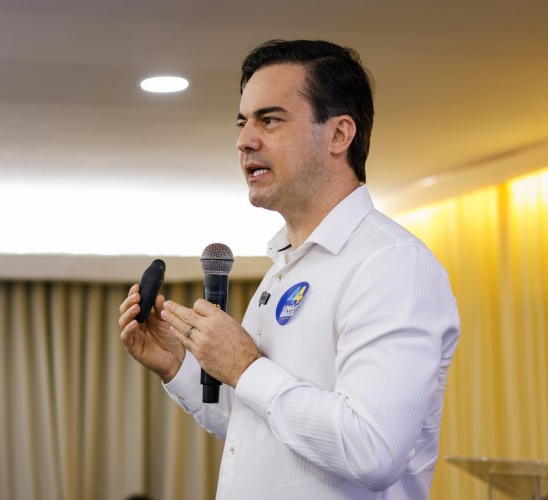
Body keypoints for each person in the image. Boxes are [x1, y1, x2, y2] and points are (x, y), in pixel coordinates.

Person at [118, 39, 460, 499]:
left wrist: (244, 366)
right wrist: (176, 366)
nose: (244, 141)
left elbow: (372, 450)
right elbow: (260, 427)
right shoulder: (283, 268)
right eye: (243, 123)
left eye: (270, 120)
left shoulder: (391, 264)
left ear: (339, 135)